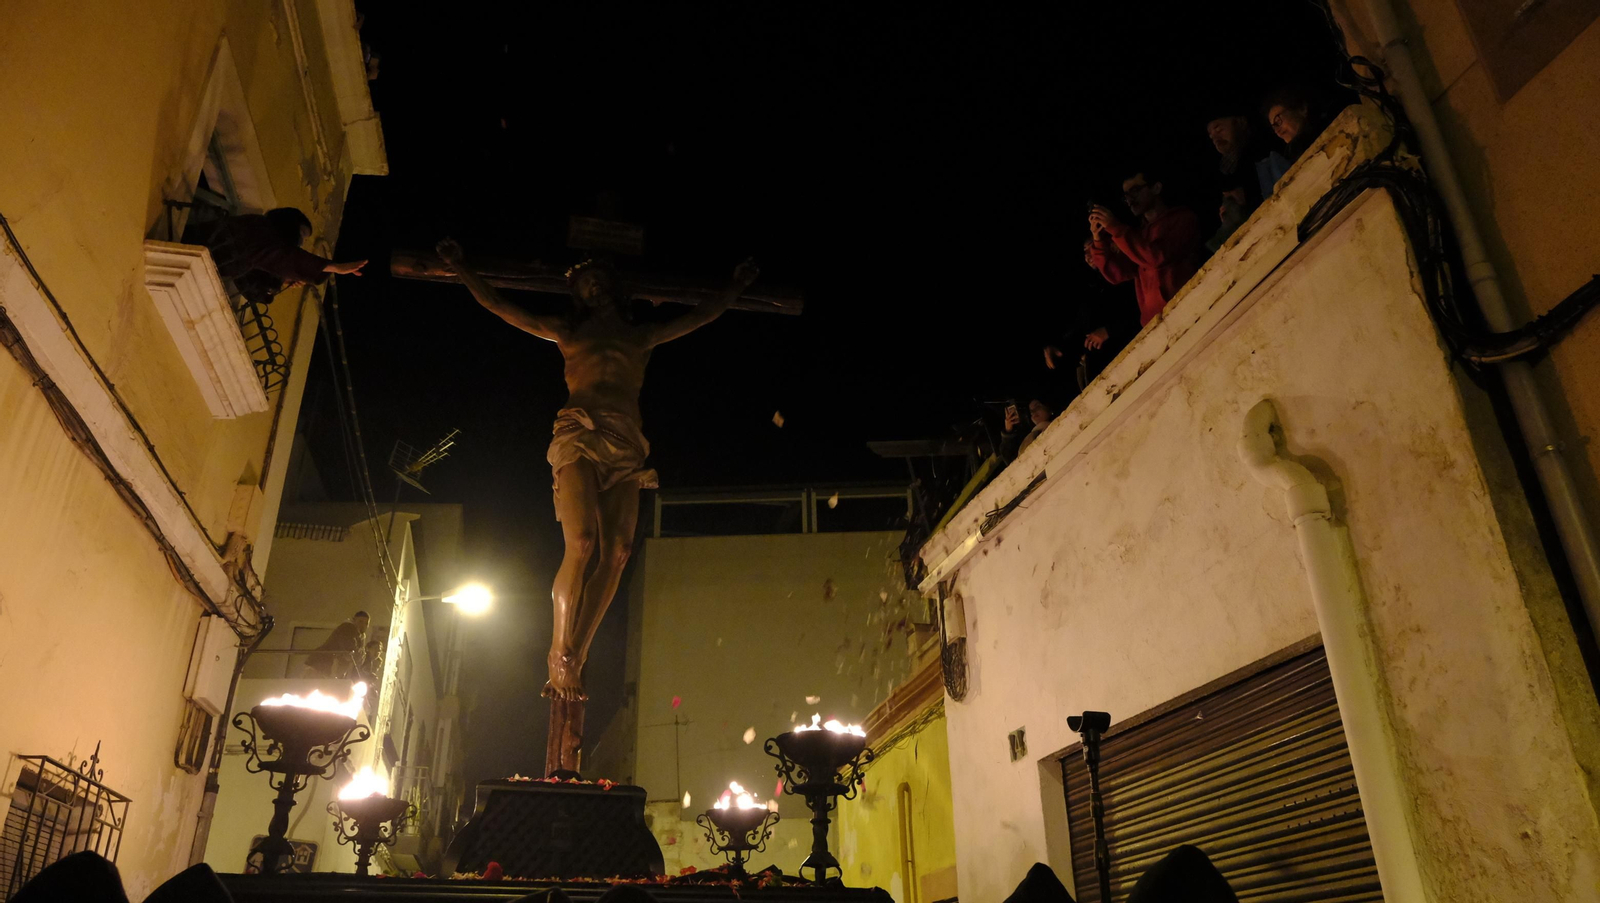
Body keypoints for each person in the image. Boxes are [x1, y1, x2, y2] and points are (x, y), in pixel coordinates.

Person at [435, 238, 758, 771]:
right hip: (581, 433)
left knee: (622, 551)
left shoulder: (641, 335)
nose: (596, 291)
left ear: (615, 293)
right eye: (587, 286)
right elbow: (502, 306)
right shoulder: (570, 333)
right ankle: (558, 648)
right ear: (579, 298)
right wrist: (463, 267)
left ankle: (577, 651)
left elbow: (701, 315)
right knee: (582, 542)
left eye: (602, 284)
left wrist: (736, 286)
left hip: (626, 442)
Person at [1087, 169, 1202, 327]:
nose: (1129, 199)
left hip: (1187, 308)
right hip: (1154, 323)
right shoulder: (1139, 234)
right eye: (1126, 195)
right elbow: (1117, 274)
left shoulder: (1182, 218)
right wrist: (1098, 239)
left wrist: (1115, 227)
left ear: (1156, 188)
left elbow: (1156, 257)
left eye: (1134, 190)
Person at [204, 207, 367, 303]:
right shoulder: (259, 227)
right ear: (289, 224)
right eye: (301, 234)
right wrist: (333, 267)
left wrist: (283, 280)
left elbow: (252, 290)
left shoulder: (266, 246)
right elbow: (284, 257)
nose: (300, 242)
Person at [1044, 239, 1142, 387]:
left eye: (1093, 247)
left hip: (1135, 355)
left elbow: (1138, 309)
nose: (1089, 255)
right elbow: (1082, 327)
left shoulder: (1127, 271)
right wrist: (1058, 347)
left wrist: (1109, 330)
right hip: (1108, 373)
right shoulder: (1092, 286)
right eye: (1085, 251)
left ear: (1112, 246)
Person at [1261, 84, 1333, 164]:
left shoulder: (1333, 123)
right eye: (1274, 127)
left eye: (1278, 121)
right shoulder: (1292, 161)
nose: (1277, 131)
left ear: (1302, 109)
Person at [303, 610, 369, 678]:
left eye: (366, 623)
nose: (363, 625)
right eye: (360, 621)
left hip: (324, 667)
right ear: (354, 620)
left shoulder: (360, 636)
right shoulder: (348, 628)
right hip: (321, 665)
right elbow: (349, 650)